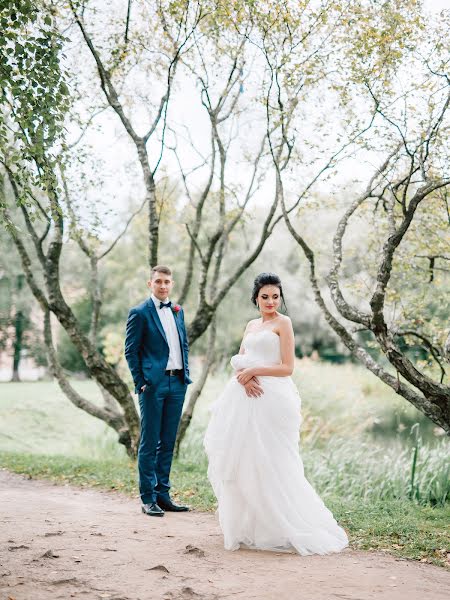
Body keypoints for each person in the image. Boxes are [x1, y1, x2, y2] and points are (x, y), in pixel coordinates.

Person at [203, 272, 349, 554]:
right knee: (246, 459)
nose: (271, 302)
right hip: (244, 395)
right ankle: (252, 526)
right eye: (265, 297)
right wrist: (243, 377)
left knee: (274, 459)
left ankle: (284, 525)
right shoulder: (251, 325)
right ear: (256, 298)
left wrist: (254, 371)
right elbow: (240, 357)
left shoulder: (284, 323)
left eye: (275, 296)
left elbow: (286, 367)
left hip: (273, 397)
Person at [125, 266, 192, 516]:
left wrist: (185, 373)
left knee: (168, 442)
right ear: (149, 284)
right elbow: (131, 350)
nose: (163, 286)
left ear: (171, 284)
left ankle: (163, 495)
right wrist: (140, 381)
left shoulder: (178, 311)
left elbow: (183, 344)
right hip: (153, 385)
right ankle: (147, 498)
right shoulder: (140, 313)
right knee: (150, 442)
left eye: (167, 282)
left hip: (178, 383)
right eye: (158, 282)